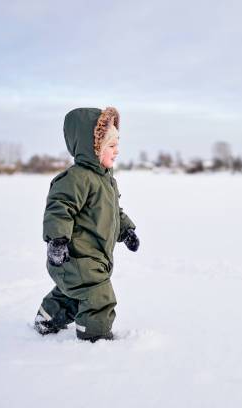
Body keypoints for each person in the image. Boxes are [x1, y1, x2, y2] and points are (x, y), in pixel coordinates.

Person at [33, 106, 139, 342]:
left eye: (117, 144)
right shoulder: (77, 178)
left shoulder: (106, 181)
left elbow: (112, 212)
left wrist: (126, 230)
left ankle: (47, 318)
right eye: (111, 145)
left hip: (91, 258)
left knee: (72, 293)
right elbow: (59, 207)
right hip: (74, 257)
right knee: (98, 295)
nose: (117, 151)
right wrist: (57, 240)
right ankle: (95, 338)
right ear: (94, 148)